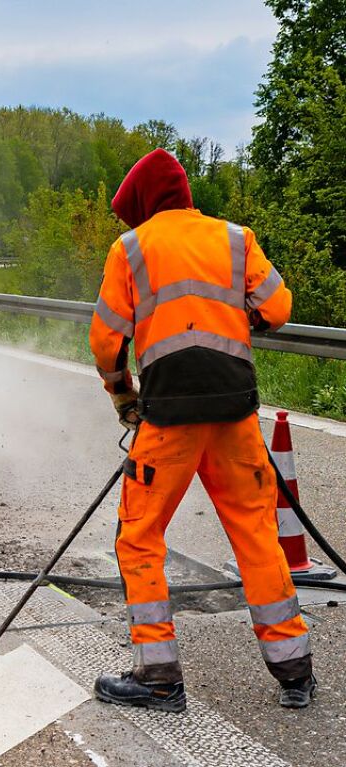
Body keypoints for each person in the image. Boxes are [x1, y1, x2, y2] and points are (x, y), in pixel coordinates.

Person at [89, 149, 313, 711]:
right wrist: (238, 320)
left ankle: (158, 677)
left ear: (141, 203)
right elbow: (278, 307)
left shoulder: (132, 249)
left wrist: (123, 395)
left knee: (139, 537)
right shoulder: (236, 239)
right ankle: (294, 672)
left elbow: (106, 342)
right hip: (235, 413)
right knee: (257, 533)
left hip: (168, 420)